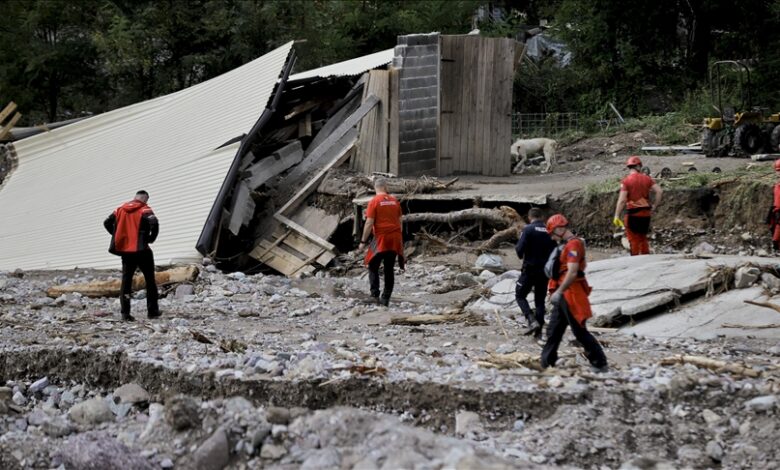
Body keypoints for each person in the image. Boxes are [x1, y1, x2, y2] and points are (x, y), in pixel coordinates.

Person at [541, 214, 607, 372]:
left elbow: (572, 272)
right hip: (564, 292)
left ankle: (599, 362)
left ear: (559, 229)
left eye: (552, 233)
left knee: (579, 331)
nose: (551, 238)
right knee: (554, 329)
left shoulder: (573, 246)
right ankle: (546, 362)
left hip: (572, 293)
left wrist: (560, 291)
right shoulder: (566, 245)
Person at [104, 190, 160, 321]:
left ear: (134, 198)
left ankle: (125, 313)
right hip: (142, 250)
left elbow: (106, 222)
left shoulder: (119, 210)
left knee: (126, 282)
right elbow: (155, 223)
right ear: (145, 199)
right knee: (150, 280)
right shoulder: (145, 209)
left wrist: (117, 235)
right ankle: (152, 311)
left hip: (126, 252)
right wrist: (150, 239)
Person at [359, 178, 405, 306]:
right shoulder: (395, 201)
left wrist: (363, 241)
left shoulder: (374, 201)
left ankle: (374, 295)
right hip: (395, 238)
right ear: (385, 187)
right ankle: (386, 298)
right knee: (389, 268)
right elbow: (400, 221)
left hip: (381, 238)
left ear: (375, 188)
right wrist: (398, 237)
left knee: (373, 265)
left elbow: (369, 223)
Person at [514, 207, 557, 337]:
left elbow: (519, 251)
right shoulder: (550, 231)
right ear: (542, 218)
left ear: (529, 217)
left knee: (520, 295)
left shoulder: (527, 229)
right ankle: (538, 330)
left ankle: (531, 320)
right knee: (539, 300)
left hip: (530, 270)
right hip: (544, 272)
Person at [612, 156, 663, 255]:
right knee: (643, 238)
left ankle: (635, 262)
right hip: (646, 214)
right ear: (638, 166)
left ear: (629, 167)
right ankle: (646, 259)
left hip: (632, 215)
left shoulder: (626, 181)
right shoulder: (647, 179)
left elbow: (622, 200)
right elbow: (659, 191)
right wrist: (654, 206)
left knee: (633, 240)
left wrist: (616, 215)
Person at [768, 159, 780, 251]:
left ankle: (775, 245)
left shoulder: (777, 186)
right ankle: (776, 245)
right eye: (777, 171)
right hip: (777, 209)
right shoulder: (776, 186)